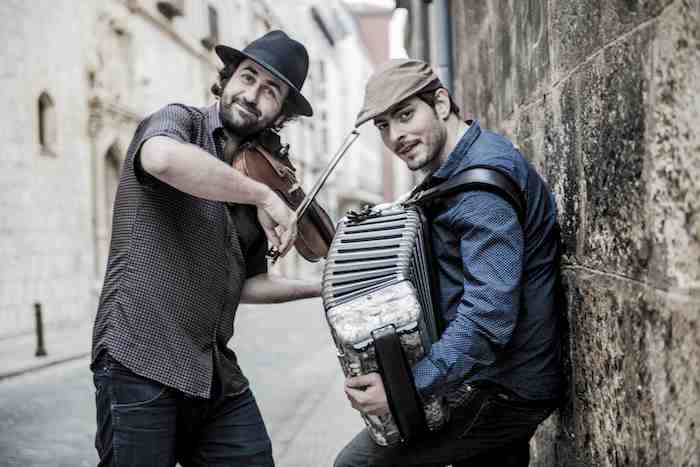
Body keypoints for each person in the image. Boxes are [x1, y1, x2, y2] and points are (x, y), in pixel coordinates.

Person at [91, 30, 321, 467]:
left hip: (212, 369)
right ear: (228, 77)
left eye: (270, 91)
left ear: (281, 114)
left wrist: (319, 287)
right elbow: (161, 159)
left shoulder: (256, 175)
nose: (252, 95)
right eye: (248, 77)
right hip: (140, 357)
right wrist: (264, 196)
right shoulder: (180, 121)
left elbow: (250, 283)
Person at [334, 59, 564, 467]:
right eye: (383, 125)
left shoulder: (479, 187)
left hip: (502, 386)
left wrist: (405, 389)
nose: (395, 135)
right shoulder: (454, 171)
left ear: (441, 103)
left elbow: (488, 316)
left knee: (355, 464)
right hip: (493, 375)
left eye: (405, 115)